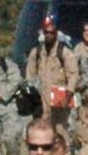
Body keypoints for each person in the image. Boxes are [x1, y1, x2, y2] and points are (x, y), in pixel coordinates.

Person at [24, 16, 84, 145]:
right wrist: (30, 96)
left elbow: (73, 75)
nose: (49, 35)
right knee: (42, 131)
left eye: (52, 33)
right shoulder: (37, 52)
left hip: (59, 98)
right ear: (43, 33)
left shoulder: (65, 53)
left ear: (56, 34)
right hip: (41, 98)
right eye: (46, 32)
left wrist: (69, 94)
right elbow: (30, 76)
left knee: (60, 130)